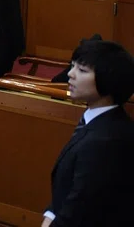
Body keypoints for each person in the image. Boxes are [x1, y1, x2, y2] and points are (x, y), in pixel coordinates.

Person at [43, 40, 134, 227]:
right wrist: (51, 215)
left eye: (82, 70)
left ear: (108, 81)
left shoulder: (106, 141)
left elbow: (79, 208)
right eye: (73, 66)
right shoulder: (99, 120)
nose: (70, 74)